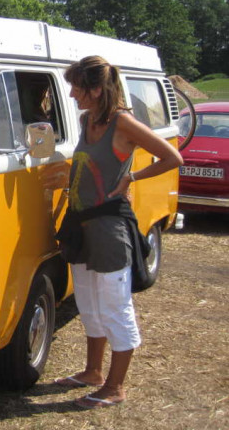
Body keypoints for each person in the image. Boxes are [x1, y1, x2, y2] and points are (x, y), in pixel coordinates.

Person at [55, 55, 182, 408]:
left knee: (115, 306)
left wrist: (132, 177)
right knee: (88, 301)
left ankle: (115, 387)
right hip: (81, 225)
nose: (72, 94)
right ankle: (93, 372)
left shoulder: (123, 122)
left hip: (110, 228)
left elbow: (173, 158)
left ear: (96, 89)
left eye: (77, 88)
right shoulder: (87, 120)